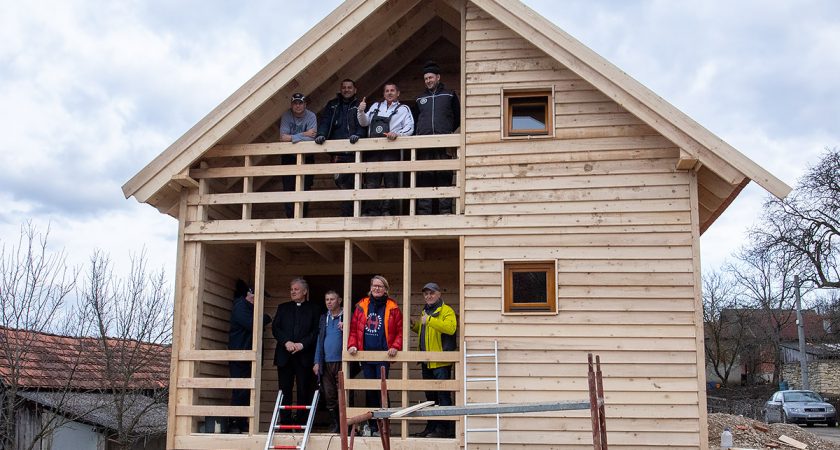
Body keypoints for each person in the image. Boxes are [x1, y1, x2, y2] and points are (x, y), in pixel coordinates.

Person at [347, 275, 403, 436]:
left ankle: (384, 427)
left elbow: (399, 331)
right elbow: (353, 329)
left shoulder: (392, 307)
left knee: (382, 391)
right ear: (370, 288)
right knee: (370, 391)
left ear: (386, 289)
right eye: (374, 286)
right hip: (366, 356)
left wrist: (395, 346)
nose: (377, 288)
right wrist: (352, 345)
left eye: (380, 286)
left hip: (383, 357)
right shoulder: (361, 305)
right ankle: (372, 426)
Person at [357, 83, 415, 216]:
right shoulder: (375, 106)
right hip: (373, 151)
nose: (389, 93)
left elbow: (410, 127)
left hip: (391, 151)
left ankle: (387, 211)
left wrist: (398, 135)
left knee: (391, 182)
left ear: (398, 93)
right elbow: (364, 122)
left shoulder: (403, 109)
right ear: (383, 94)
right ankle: (372, 211)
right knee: (371, 182)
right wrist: (360, 111)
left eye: (392, 90)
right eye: (387, 91)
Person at [410, 282, 457, 438]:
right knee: (430, 398)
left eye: (431, 293)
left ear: (439, 294)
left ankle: (444, 430)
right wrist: (415, 326)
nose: (428, 296)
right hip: (426, 361)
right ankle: (431, 428)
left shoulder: (446, 311)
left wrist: (429, 320)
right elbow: (427, 332)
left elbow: (450, 328)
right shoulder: (426, 311)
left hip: (441, 363)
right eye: (426, 294)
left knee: (443, 397)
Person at [272, 278, 320, 424]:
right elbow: (276, 328)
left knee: (303, 391)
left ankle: (302, 422)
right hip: (284, 356)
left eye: (296, 289)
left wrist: (302, 344)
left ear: (305, 292)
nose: (293, 292)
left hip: (304, 356)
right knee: (284, 390)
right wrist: (286, 341)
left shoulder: (314, 308)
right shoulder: (283, 307)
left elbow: (316, 331)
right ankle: (285, 422)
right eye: (291, 289)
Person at [414, 61, 460, 215]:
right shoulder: (420, 98)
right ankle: (423, 213)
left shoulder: (449, 94)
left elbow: (457, 117)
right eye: (426, 78)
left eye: (431, 77)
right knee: (424, 179)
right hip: (424, 144)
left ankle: (445, 212)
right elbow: (415, 120)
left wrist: (445, 130)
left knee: (444, 177)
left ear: (438, 77)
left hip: (444, 143)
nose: (428, 81)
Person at [315, 79, 365, 217]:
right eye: (344, 87)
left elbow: (364, 123)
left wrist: (358, 135)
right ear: (340, 89)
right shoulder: (333, 105)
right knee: (342, 182)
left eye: (349, 87)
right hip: (338, 153)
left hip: (354, 153)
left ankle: (352, 216)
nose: (346, 90)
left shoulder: (359, 105)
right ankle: (349, 215)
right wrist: (321, 135)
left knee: (355, 185)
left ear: (355, 90)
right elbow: (325, 122)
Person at [228, 280, 272, 433]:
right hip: (239, 354)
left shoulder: (250, 308)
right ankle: (235, 423)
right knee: (239, 390)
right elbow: (252, 324)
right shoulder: (241, 306)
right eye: (256, 295)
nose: (258, 299)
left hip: (248, 355)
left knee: (248, 391)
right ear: (249, 294)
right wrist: (265, 318)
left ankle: (242, 422)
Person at [278, 93, 317, 218]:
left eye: (300, 103)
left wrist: (293, 138)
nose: (298, 106)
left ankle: (302, 218)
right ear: (291, 105)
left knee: (305, 188)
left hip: (307, 157)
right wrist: (304, 134)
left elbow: (312, 139)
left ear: (305, 104)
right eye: (295, 103)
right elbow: (283, 138)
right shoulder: (286, 115)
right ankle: (290, 219)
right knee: (288, 188)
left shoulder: (311, 116)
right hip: (289, 157)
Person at [313, 290, 344, 433]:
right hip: (325, 363)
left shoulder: (346, 316)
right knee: (329, 394)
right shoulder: (323, 318)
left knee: (342, 394)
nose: (329, 302)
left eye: (332, 299)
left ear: (340, 300)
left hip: (342, 362)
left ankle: (345, 424)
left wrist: (346, 328)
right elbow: (320, 341)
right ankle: (335, 424)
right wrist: (316, 361)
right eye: (327, 299)